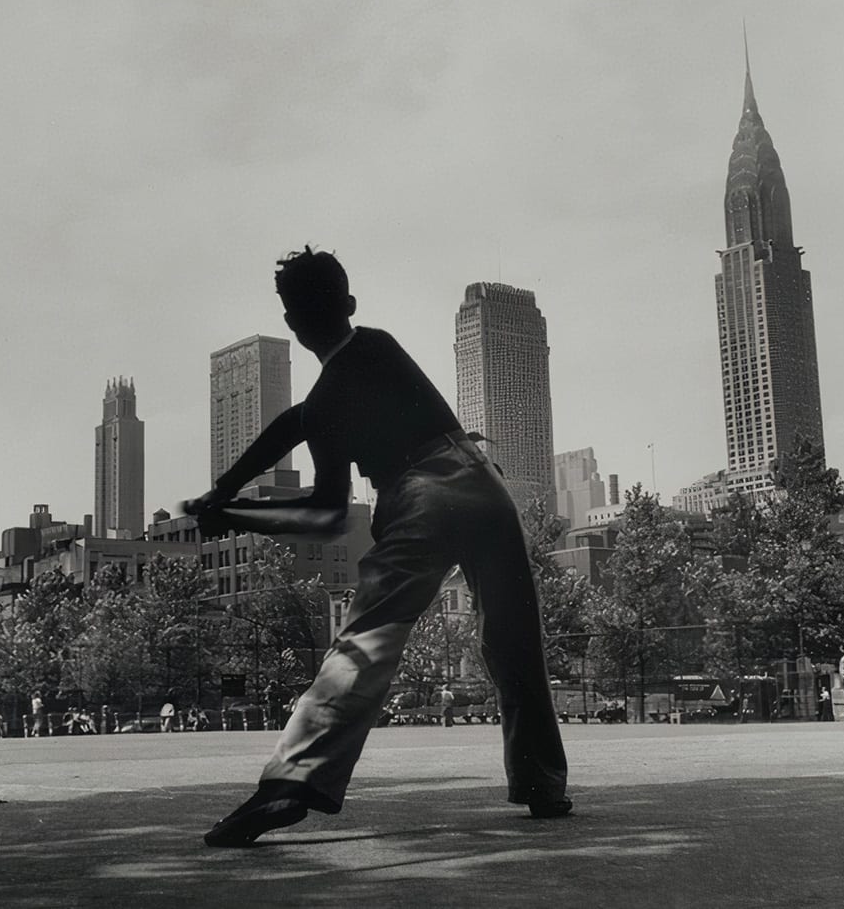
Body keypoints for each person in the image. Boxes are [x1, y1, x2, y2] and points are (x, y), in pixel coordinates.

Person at [184, 247, 570, 848]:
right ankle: (543, 782)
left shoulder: (330, 399)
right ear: (350, 306)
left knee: (367, 638)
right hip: (481, 483)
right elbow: (297, 421)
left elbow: (324, 510)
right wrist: (225, 494)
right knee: (513, 640)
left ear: (290, 320)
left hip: (420, 494)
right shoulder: (377, 346)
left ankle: (294, 780)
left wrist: (231, 507)